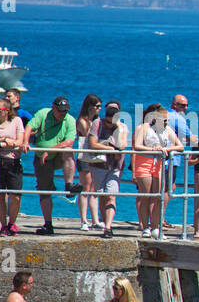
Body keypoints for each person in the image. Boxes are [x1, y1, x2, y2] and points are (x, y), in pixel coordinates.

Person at [23, 96, 79, 236]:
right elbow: (29, 126)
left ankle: (69, 185)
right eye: (60, 111)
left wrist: (50, 150)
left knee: (68, 151)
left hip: (58, 156)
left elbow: (69, 142)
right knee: (44, 191)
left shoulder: (70, 120)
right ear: (53, 107)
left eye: (65, 111)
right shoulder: (43, 113)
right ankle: (48, 224)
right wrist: (25, 142)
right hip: (42, 158)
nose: (62, 114)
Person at [132, 104, 177, 239]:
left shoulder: (166, 130)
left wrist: (167, 150)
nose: (166, 122)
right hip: (144, 164)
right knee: (145, 195)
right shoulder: (144, 127)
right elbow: (137, 146)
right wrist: (153, 150)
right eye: (164, 120)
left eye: (167, 120)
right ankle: (145, 227)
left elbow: (179, 145)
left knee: (157, 197)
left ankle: (156, 227)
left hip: (159, 165)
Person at [87, 102, 129, 238]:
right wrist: (110, 148)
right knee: (103, 196)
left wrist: (118, 130)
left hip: (115, 166)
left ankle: (108, 227)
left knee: (111, 195)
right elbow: (93, 144)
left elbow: (122, 145)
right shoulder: (97, 124)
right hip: (98, 164)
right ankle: (105, 223)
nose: (110, 125)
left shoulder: (123, 127)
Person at [0, 99, 25, 236]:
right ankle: (3, 225)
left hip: (13, 162)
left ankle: (12, 223)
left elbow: (19, 141)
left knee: (16, 196)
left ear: (7, 111)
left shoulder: (17, 121)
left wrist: (2, 145)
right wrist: (3, 141)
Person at [74, 95, 103, 231]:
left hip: (94, 157)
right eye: (97, 106)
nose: (99, 109)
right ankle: (84, 220)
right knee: (85, 189)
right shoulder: (82, 121)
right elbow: (89, 135)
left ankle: (95, 220)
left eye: (100, 106)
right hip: (84, 157)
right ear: (89, 107)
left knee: (94, 189)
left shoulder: (97, 121)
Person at [162, 94, 190, 230]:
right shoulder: (179, 118)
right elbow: (188, 137)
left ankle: (153, 219)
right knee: (168, 188)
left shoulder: (164, 115)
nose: (186, 108)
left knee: (159, 188)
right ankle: (160, 218)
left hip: (160, 157)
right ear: (175, 105)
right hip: (172, 158)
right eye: (182, 105)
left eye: (186, 105)